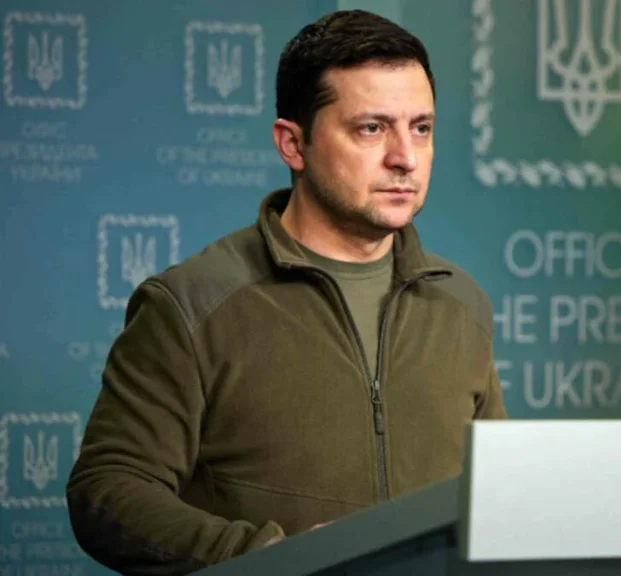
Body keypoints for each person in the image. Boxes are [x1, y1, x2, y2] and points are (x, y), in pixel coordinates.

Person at [66, 10, 507, 574]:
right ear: (292, 144)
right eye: (371, 128)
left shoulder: (460, 303)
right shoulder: (192, 304)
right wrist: (270, 559)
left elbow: (498, 496)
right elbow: (108, 491)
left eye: (420, 128)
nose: (404, 157)